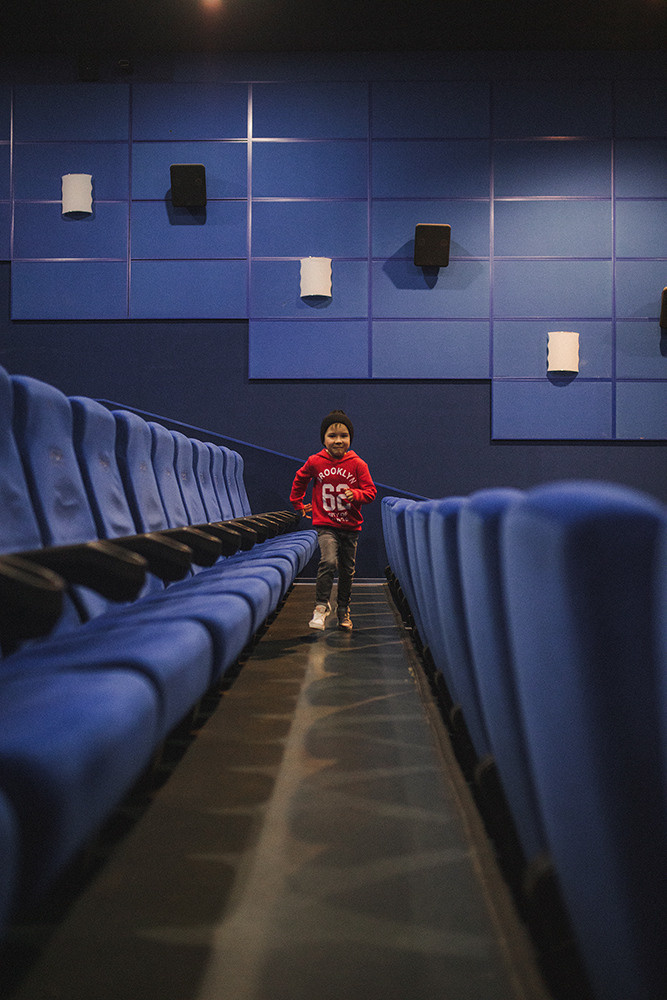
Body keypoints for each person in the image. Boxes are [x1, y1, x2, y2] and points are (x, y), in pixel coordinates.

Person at [290, 409, 377, 631]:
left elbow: (370, 492)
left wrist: (356, 494)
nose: (338, 440)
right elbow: (300, 479)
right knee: (328, 561)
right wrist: (298, 503)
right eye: (332, 435)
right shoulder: (315, 461)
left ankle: (343, 609)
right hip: (326, 524)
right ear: (324, 438)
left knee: (347, 571)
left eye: (343, 436)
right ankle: (321, 606)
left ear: (350, 439)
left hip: (350, 526)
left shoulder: (358, 464)